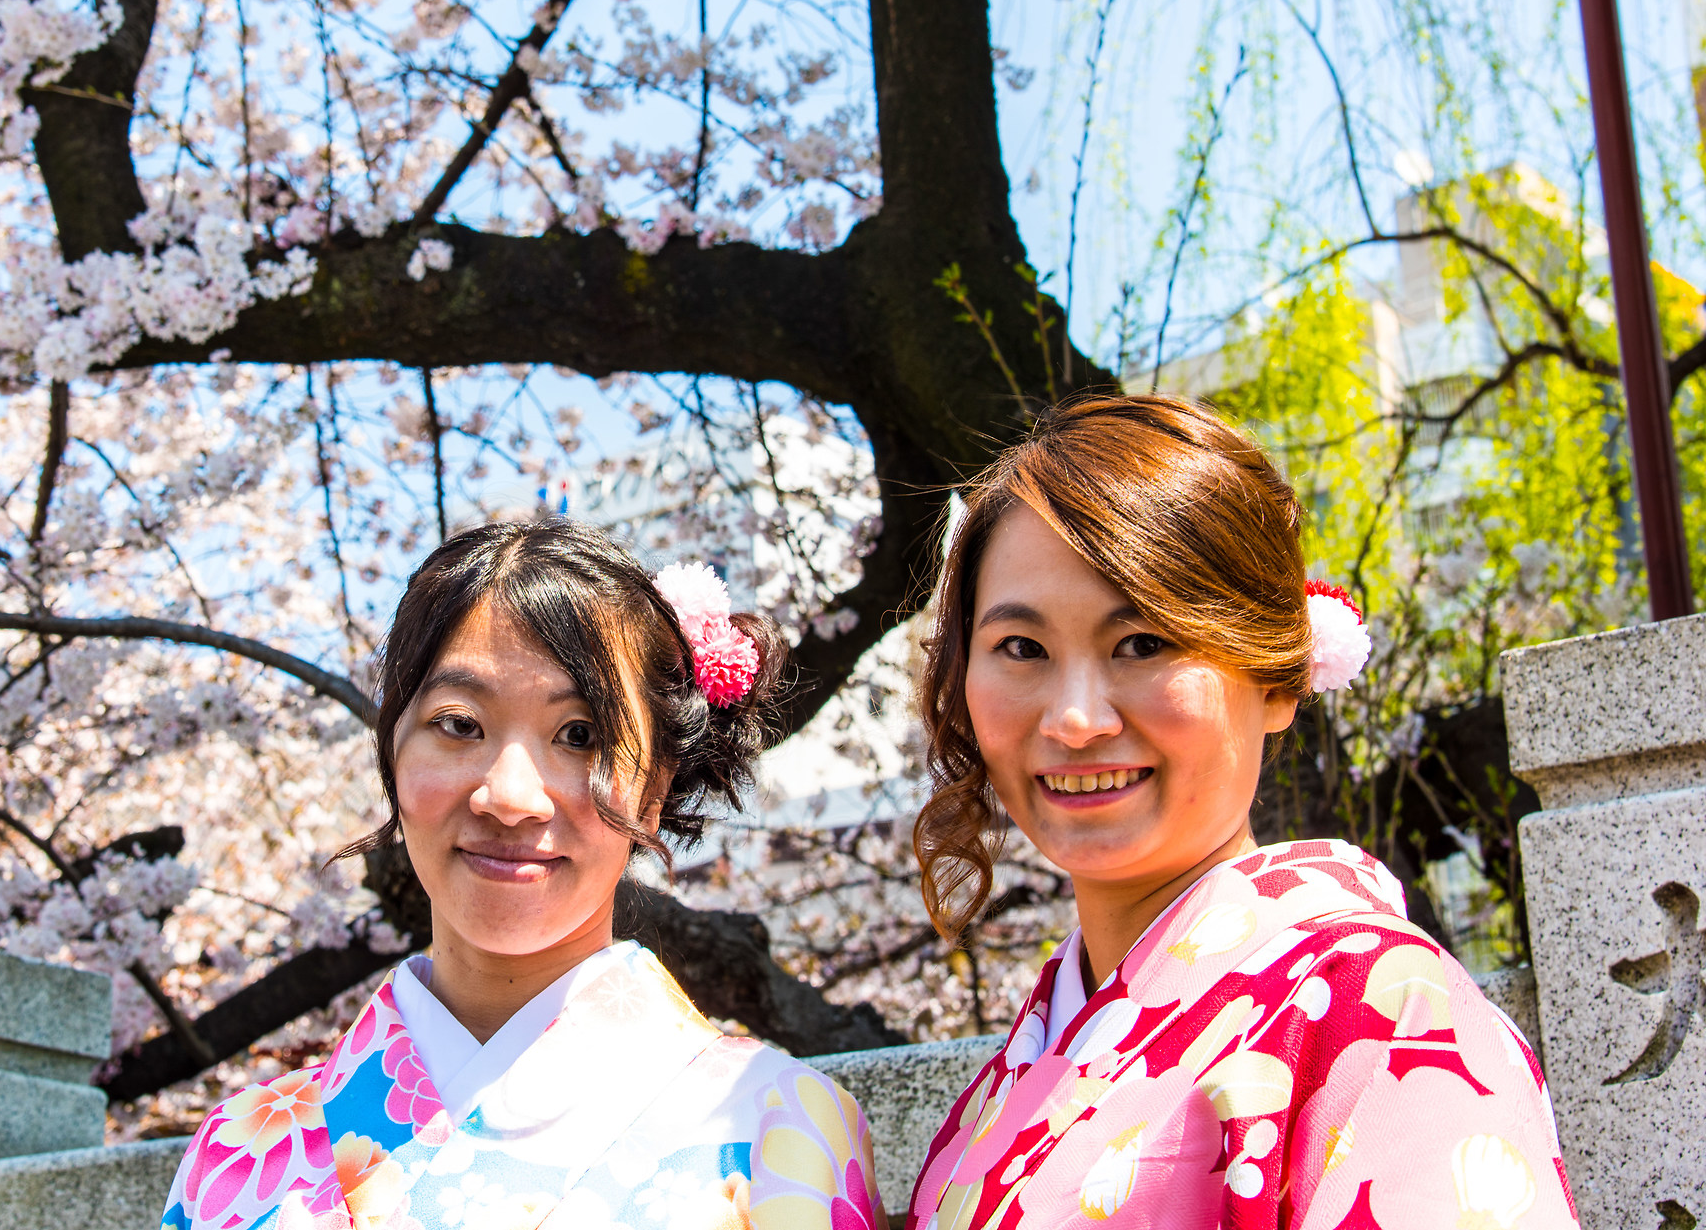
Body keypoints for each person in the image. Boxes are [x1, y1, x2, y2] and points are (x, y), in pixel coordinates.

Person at [900, 395, 1574, 1229]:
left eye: (1143, 642)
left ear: (1279, 678)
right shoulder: (995, 1100)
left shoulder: (1383, 1010)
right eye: (1021, 648)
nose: (1075, 718)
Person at [161, 519, 884, 1230]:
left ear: (656, 787)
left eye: (581, 735)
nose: (508, 796)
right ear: (392, 753)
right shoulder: (239, 1150)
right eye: (459, 723)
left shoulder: (775, 1128)